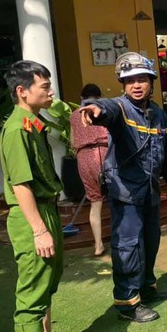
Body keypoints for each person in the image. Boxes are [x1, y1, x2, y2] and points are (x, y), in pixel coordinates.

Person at [0, 60, 87, 332]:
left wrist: (61, 107)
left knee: (48, 282)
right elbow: (21, 186)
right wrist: (38, 229)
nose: (50, 91)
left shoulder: (34, 121)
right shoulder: (16, 130)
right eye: (44, 86)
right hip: (30, 216)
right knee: (33, 289)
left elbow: (70, 123)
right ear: (21, 91)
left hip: (46, 209)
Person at [79, 52, 167, 324]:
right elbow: (106, 109)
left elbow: (164, 149)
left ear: (151, 83)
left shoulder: (157, 113)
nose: (136, 85)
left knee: (150, 240)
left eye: (141, 80)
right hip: (126, 192)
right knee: (128, 246)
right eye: (129, 80)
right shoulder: (119, 108)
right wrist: (96, 110)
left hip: (150, 190)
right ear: (122, 85)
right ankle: (127, 302)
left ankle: (146, 287)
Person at [70, 84, 109, 257]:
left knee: (95, 202)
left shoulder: (74, 116)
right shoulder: (102, 111)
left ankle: (98, 245)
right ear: (99, 97)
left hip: (83, 158)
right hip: (104, 154)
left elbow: (72, 142)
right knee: (116, 197)